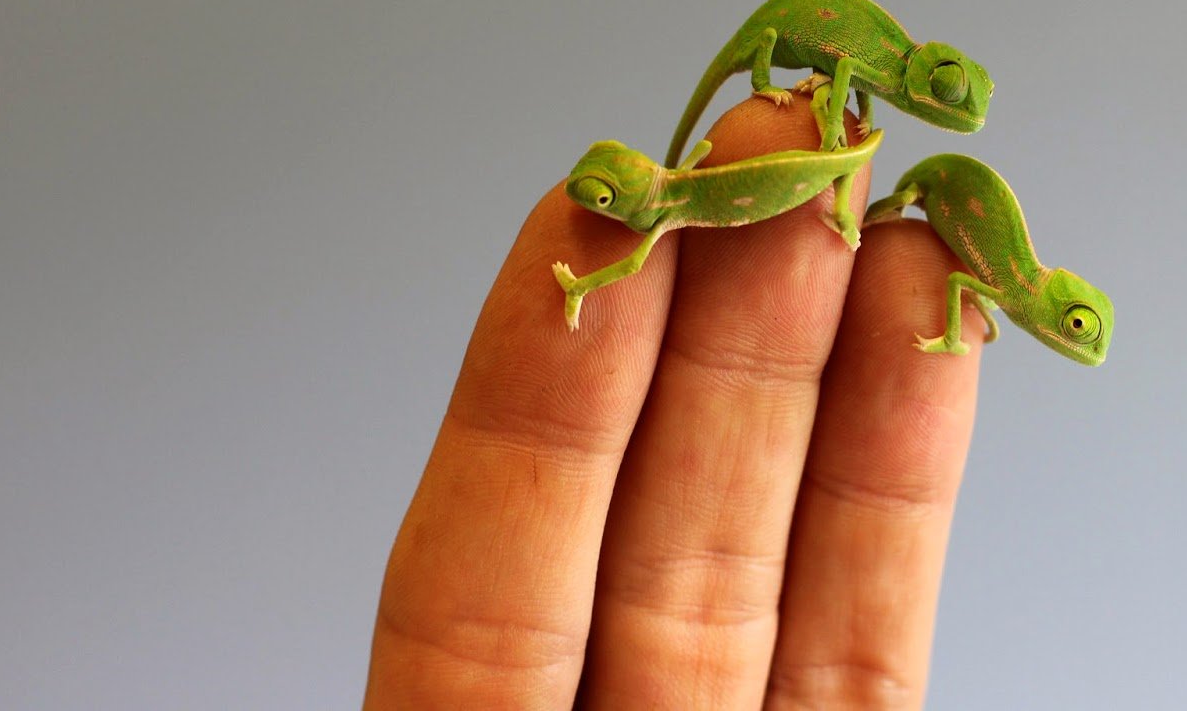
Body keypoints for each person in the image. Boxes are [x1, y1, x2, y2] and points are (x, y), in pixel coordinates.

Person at [362, 96, 989, 708]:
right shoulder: (681, 179)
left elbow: (629, 268)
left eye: (606, 199)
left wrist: (579, 287)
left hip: (797, 191)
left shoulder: (664, 211)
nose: (591, 203)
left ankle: (846, 186)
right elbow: (706, 156)